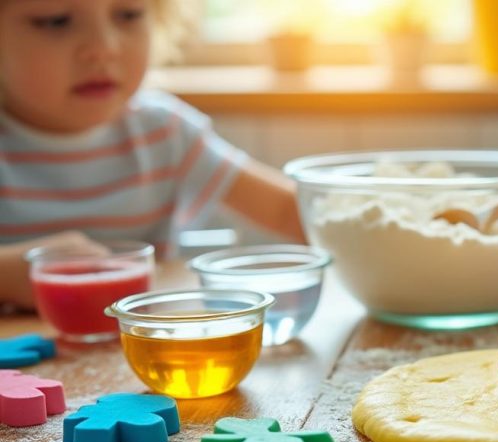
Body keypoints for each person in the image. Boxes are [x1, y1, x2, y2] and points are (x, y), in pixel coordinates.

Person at [0, 0, 306, 309]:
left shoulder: (164, 132)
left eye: (128, 15)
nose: (104, 47)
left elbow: (288, 211)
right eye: (55, 21)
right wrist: (8, 272)